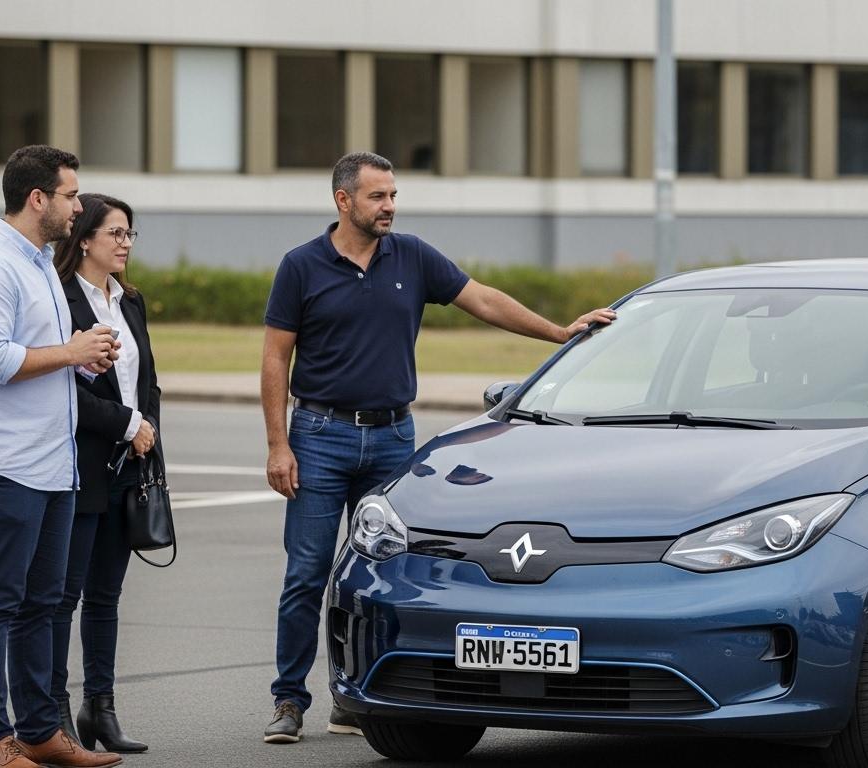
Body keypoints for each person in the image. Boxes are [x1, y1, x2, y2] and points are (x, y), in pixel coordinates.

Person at [260, 151, 616, 743]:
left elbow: (483, 299)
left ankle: (361, 697)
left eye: (394, 195)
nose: (390, 207)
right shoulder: (301, 266)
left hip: (395, 438)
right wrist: (279, 444)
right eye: (378, 197)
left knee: (392, 574)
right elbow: (276, 357)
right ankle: (289, 700)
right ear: (343, 201)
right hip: (320, 438)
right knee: (308, 572)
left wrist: (559, 332)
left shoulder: (414, 256)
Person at [0, 145, 124, 768]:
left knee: (42, 603)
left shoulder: (41, 263)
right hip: (2, 464)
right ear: (38, 199)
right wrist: (71, 352)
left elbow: (44, 356)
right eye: (72, 195)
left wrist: (80, 357)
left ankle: (40, 732)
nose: (80, 205)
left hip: (52, 466)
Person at [50, 194, 159, 755]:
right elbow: (66, 392)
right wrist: (127, 424)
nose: (125, 242)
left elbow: (149, 385)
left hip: (128, 470)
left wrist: (149, 436)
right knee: (63, 597)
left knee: (106, 598)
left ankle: (101, 707)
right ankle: (56, 716)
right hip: (80, 468)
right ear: (85, 238)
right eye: (115, 232)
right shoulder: (63, 299)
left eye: (130, 233)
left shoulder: (130, 301)